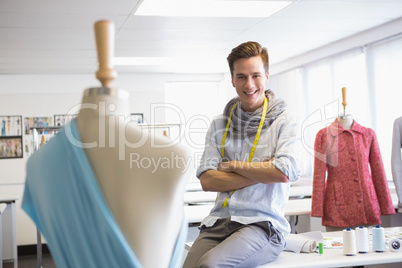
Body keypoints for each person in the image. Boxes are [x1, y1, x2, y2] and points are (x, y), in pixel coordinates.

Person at [183, 41, 301, 268]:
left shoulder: (285, 120)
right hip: (220, 221)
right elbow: (208, 180)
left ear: (267, 76)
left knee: (210, 265)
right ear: (232, 80)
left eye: (256, 75)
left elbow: (285, 172)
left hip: (262, 225)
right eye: (241, 77)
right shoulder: (220, 123)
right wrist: (264, 170)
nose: (249, 84)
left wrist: (233, 165)